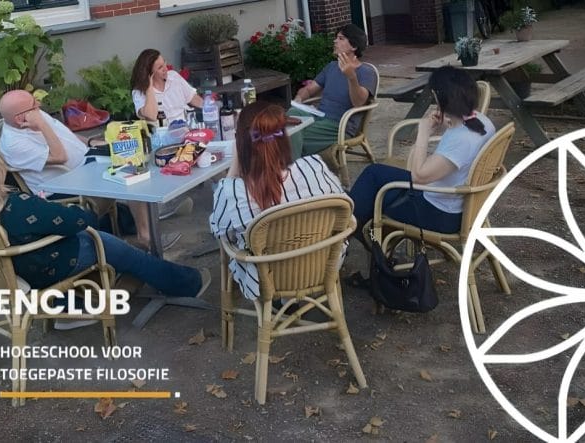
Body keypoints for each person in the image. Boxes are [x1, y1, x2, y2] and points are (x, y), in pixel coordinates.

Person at [0, 138, 211, 328]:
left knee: (112, 244)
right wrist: (83, 210)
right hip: (47, 264)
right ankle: (188, 283)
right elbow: (77, 222)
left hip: (12, 269)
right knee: (111, 244)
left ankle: (75, 305)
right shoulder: (17, 206)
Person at [0, 89, 181, 251]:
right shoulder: (14, 144)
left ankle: (149, 214)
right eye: (33, 104)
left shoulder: (32, 115)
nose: (39, 104)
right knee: (130, 169)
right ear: (20, 118)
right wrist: (43, 126)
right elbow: (60, 156)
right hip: (65, 184)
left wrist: (93, 142)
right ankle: (147, 235)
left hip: (86, 160)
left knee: (133, 151)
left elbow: (66, 136)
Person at [209, 101, 349, 300]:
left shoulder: (233, 192)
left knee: (235, 245)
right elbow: (344, 213)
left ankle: (279, 301)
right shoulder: (314, 166)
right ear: (285, 138)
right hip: (324, 266)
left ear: (241, 145)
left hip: (267, 282)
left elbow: (220, 231)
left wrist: (234, 168)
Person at [348, 66, 496, 246]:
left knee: (372, 189)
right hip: (458, 204)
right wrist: (446, 120)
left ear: (438, 97)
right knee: (374, 176)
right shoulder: (482, 122)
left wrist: (424, 132)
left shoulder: (461, 140)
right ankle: (362, 230)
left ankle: (347, 232)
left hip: (440, 214)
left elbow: (418, 177)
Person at [289, 24, 378, 159]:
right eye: (336, 38)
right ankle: (291, 159)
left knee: (292, 133)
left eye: (341, 38)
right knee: (291, 116)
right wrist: (298, 99)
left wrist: (351, 77)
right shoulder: (331, 67)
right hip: (319, 117)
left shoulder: (366, 72)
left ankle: (291, 167)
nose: (335, 41)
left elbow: (358, 103)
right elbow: (309, 89)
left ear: (354, 46)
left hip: (339, 125)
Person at [131, 48, 203, 123]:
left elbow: (193, 98)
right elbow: (151, 116)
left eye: (164, 63)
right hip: (162, 129)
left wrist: (208, 107)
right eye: (160, 68)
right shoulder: (139, 92)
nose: (165, 69)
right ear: (149, 73)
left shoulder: (173, 76)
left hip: (185, 125)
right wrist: (149, 88)